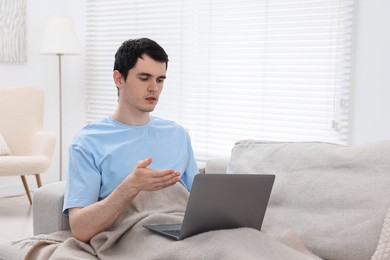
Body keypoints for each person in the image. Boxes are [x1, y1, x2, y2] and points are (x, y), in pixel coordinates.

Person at [63, 38, 199, 243]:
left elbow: (196, 204)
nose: (154, 88)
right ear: (118, 79)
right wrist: (131, 186)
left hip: (182, 233)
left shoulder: (178, 135)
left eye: (160, 80)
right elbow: (80, 228)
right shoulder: (88, 142)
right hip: (133, 236)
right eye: (144, 78)